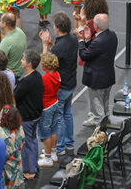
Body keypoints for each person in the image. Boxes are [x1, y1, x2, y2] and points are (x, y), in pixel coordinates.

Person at [41, 12, 78, 155]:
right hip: (71, 82)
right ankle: (69, 143)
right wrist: (52, 45)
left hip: (61, 87)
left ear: (57, 28)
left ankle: (61, 147)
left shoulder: (58, 47)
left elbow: (45, 64)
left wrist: (45, 45)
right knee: (68, 114)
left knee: (60, 117)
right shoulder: (73, 39)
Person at [79, 13, 118, 126]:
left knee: (98, 107)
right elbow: (98, 50)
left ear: (96, 26)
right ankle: (104, 122)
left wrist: (81, 41)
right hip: (108, 76)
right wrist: (87, 40)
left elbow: (85, 55)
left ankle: (100, 131)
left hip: (97, 79)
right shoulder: (112, 35)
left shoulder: (98, 41)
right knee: (104, 104)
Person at [14, 50, 43, 180]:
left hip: (27, 117)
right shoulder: (37, 76)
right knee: (32, 140)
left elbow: (15, 95)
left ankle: (30, 170)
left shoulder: (27, 81)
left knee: (27, 143)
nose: (21, 61)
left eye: (23, 59)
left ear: (29, 64)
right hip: (35, 114)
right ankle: (33, 166)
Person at [38, 52, 61, 167]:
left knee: (46, 133)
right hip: (55, 103)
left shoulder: (44, 78)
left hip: (46, 107)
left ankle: (47, 158)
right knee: (53, 130)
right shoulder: (57, 75)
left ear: (45, 66)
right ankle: (53, 153)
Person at [0, 12, 27, 78]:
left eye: (0, 20)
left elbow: (0, 61)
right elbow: (11, 45)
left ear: (4, 24)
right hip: (20, 69)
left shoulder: (6, 42)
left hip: (11, 74)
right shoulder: (20, 31)